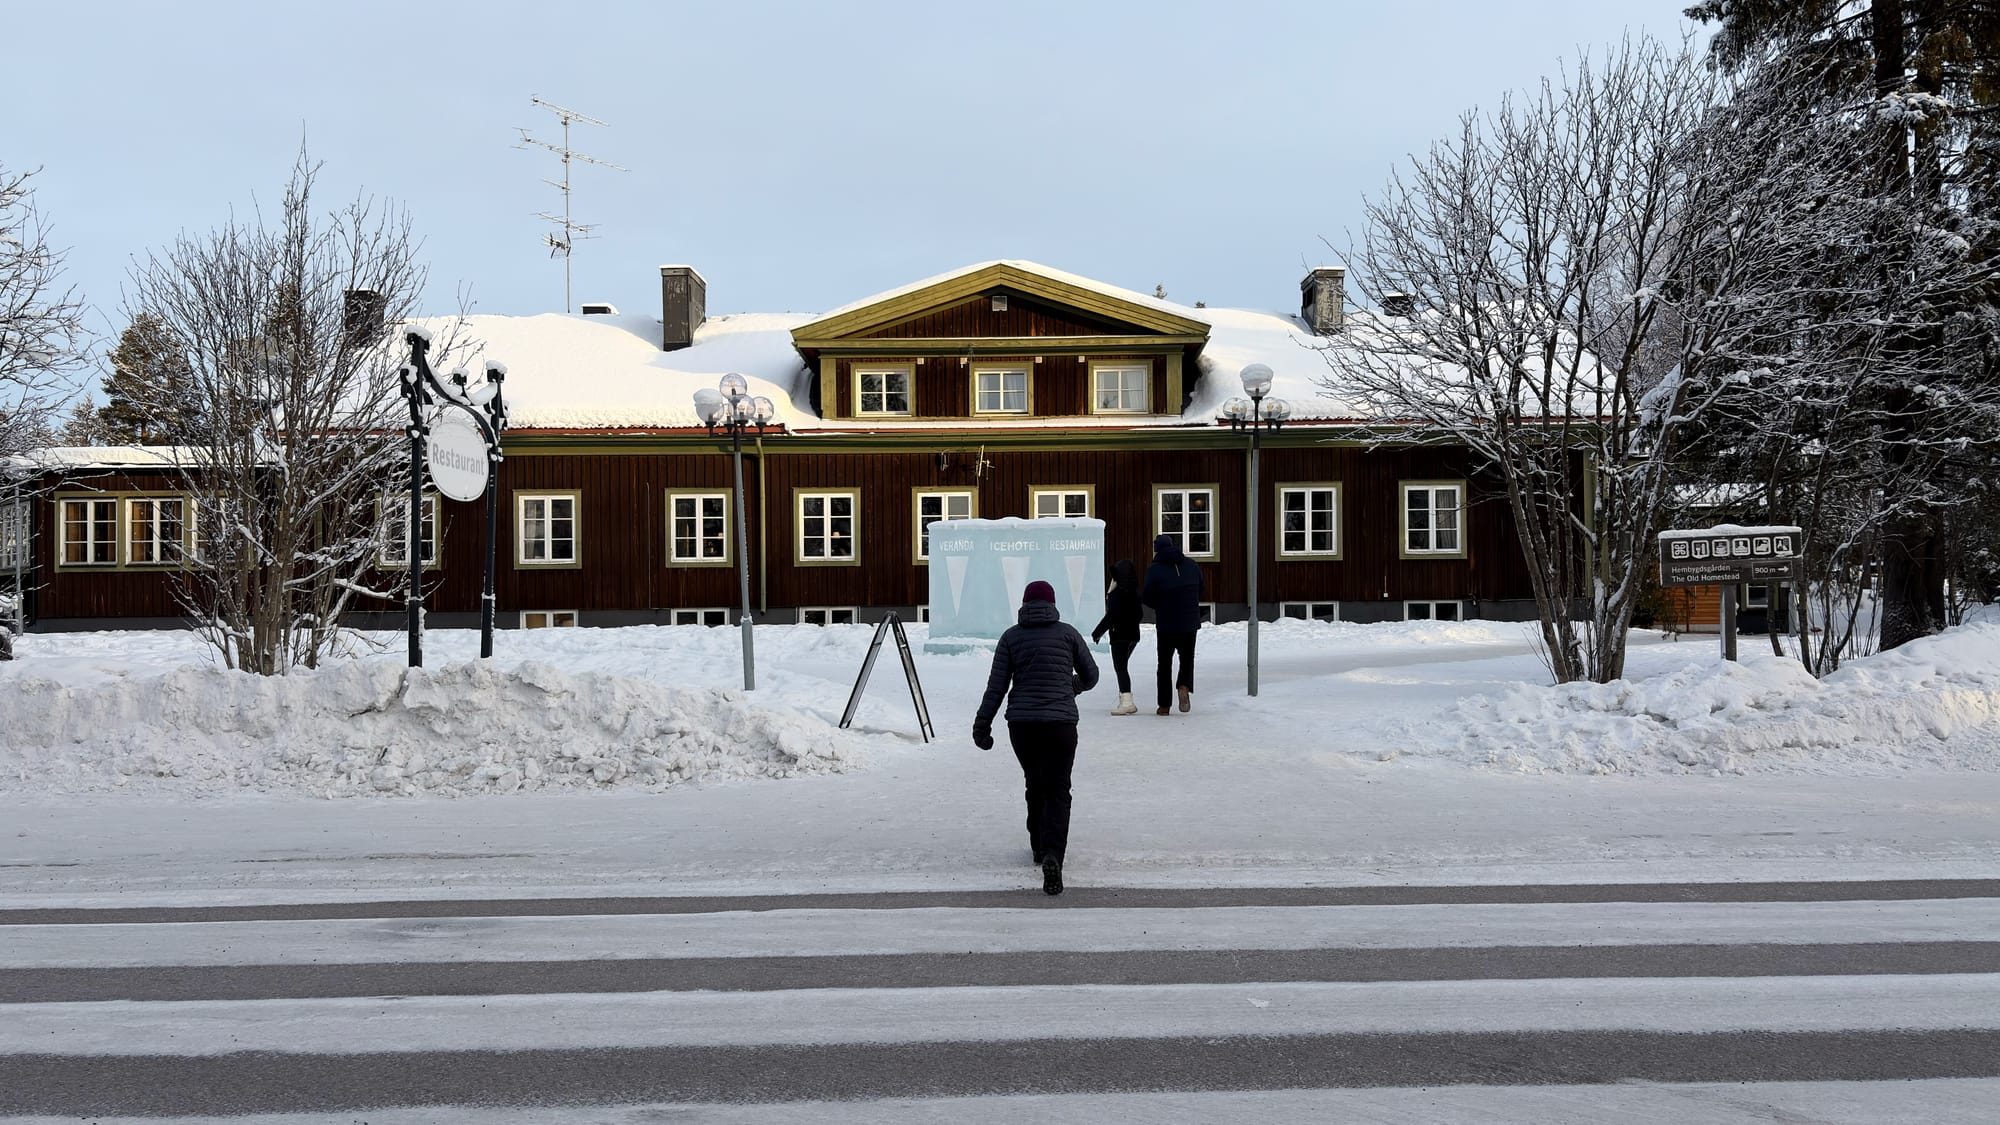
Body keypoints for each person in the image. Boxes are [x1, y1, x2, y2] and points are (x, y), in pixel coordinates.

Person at [972, 579, 1100, 896]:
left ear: (1024, 605)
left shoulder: (1011, 637)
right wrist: (1071, 687)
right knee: (1058, 789)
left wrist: (982, 723)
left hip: (1023, 726)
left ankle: (1039, 848)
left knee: (1035, 782)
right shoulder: (1068, 634)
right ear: (1052, 604)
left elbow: (996, 686)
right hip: (1061, 725)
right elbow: (1092, 675)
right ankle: (1054, 854)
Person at [1141, 533, 1203, 715]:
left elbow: (1147, 596)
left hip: (1167, 624)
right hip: (1189, 622)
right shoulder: (1192, 565)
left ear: (1157, 549)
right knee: (1187, 659)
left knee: (1164, 664)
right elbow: (1200, 588)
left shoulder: (1154, 570)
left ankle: (1164, 705)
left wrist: (1161, 606)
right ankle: (1184, 686)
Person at [1090, 558, 1142, 715]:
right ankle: (1124, 698)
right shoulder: (1134, 592)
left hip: (1119, 635)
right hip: (1133, 636)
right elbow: (1140, 614)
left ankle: (1127, 702)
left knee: (1120, 668)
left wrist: (1097, 632)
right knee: (1122, 667)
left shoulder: (1116, 593)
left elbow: (1111, 616)